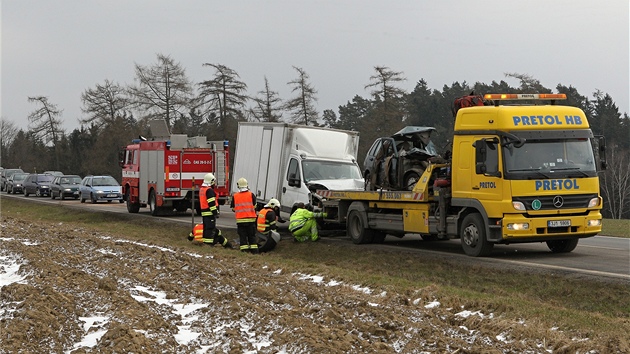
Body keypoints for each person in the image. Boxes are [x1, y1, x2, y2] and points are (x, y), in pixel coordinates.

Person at [189, 173, 232, 248]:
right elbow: (211, 203)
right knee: (210, 229)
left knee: (208, 229)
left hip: (204, 213)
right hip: (209, 213)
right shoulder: (209, 191)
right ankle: (208, 245)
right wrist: (215, 212)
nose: (214, 184)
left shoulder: (202, 189)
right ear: (211, 181)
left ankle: (226, 245)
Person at [230, 177, 259, 254]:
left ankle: (244, 252)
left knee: (243, 237)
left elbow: (233, 209)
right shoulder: (251, 195)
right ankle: (255, 252)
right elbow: (255, 206)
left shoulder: (235, 196)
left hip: (240, 221)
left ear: (238, 186)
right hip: (251, 221)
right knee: (252, 237)